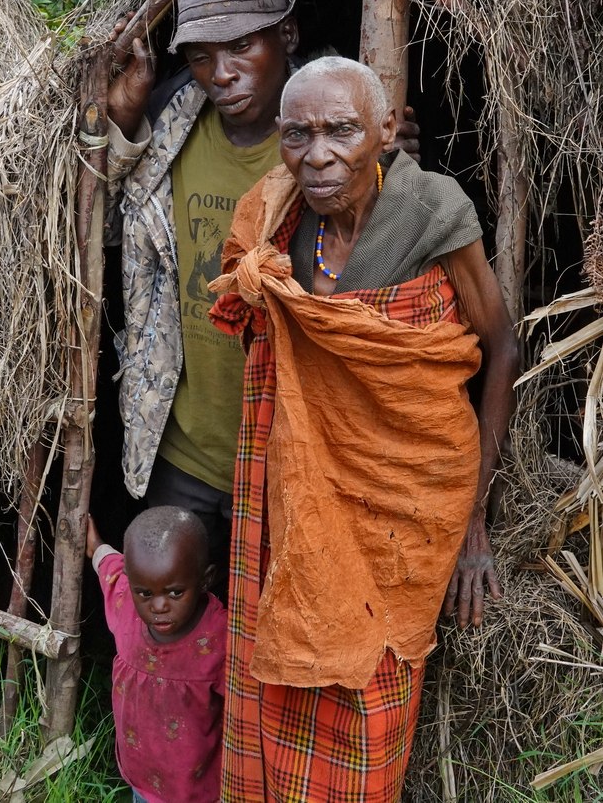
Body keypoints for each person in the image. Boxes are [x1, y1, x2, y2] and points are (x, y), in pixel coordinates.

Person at [208, 56, 519, 801]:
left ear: (384, 131)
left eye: (341, 131)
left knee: (369, 706)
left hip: (393, 527)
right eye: (297, 135)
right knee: (274, 677)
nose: (317, 156)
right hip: (289, 513)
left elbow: (500, 344)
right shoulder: (274, 219)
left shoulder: (432, 212)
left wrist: (475, 518)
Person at [105, 0, 419, 603]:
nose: (221, 73)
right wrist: (125, 118)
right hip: (184, 447)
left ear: (287, 34)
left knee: (274, 628)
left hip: (291, 450)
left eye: (242, 46)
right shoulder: (169, 127)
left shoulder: (336, 146)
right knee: (180, 626)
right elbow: (88, 213)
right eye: (200, 55)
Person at [86, 507, 226, 803]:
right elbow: (111, 570)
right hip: (140, 779)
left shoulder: (221, 639)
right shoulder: (126, 604)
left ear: (205, 580)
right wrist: (96, 546)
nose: (159, 606)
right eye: (145, 593)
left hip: (197, 791)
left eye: (175, 593)